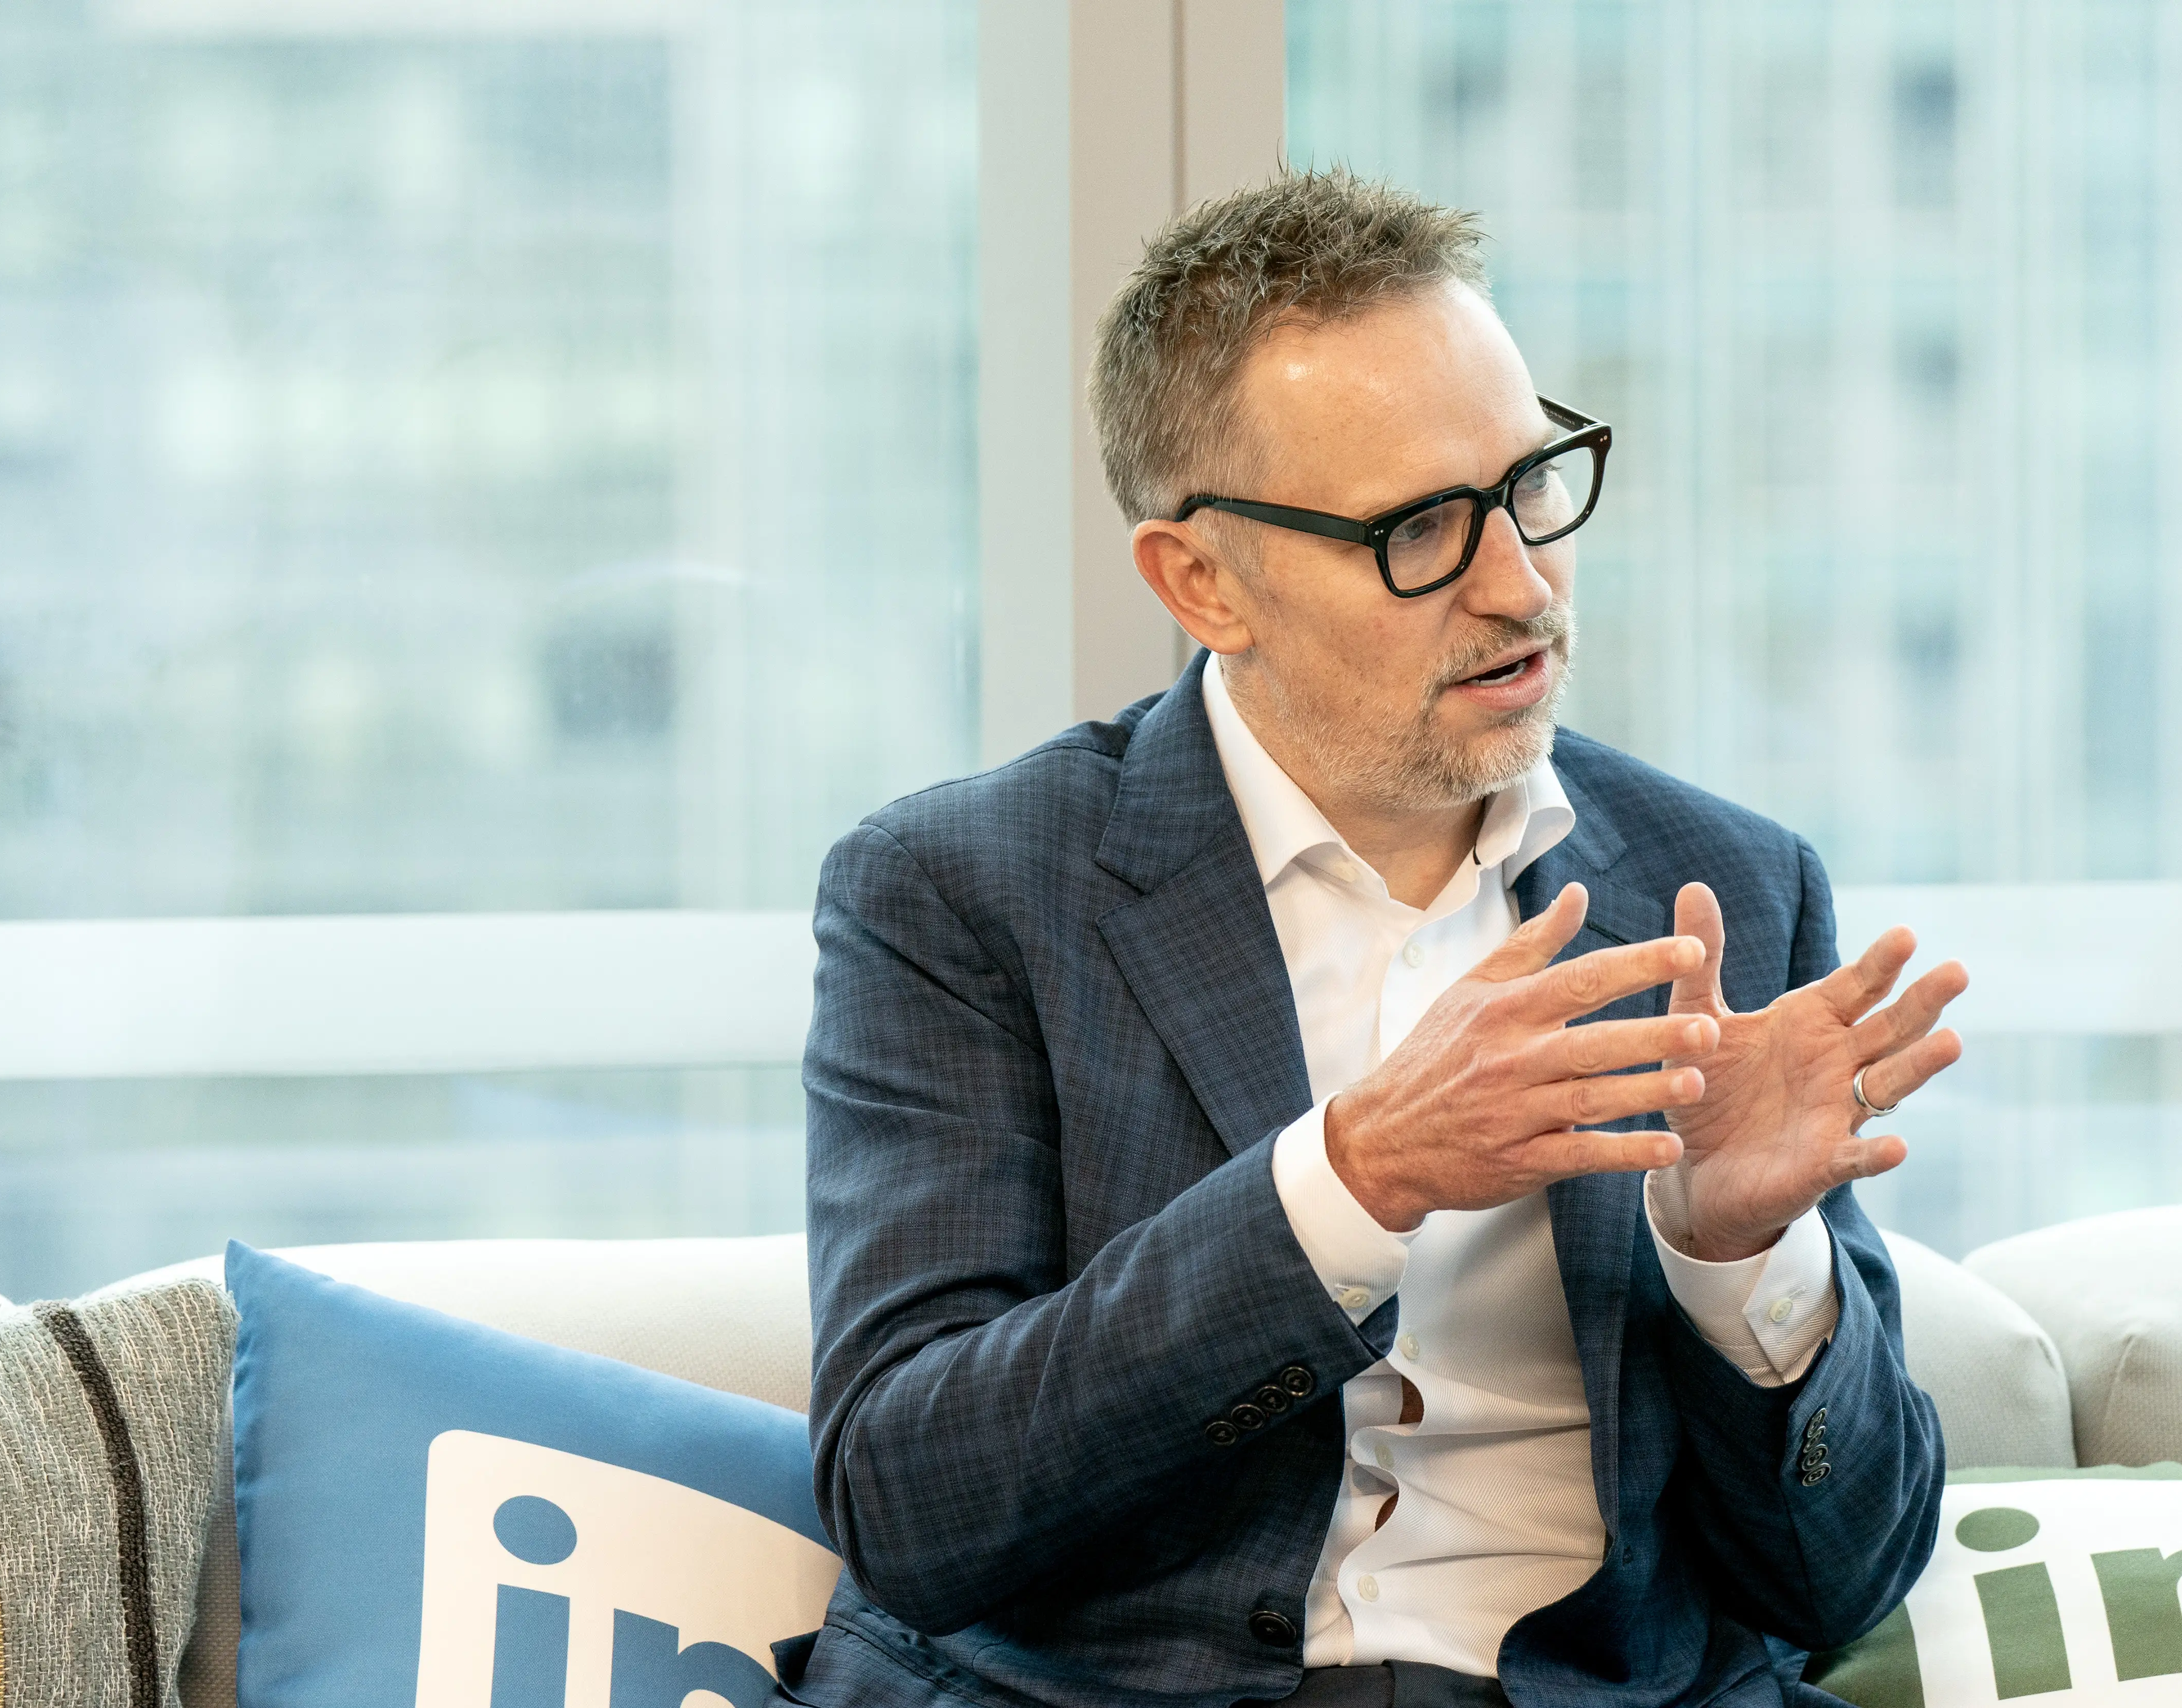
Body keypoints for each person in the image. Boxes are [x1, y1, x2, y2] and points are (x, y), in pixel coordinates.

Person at [793, 169, 1968, 1708]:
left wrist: (1744, 1258)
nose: (1519, 581)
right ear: (1203, 579)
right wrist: (1351, 1181)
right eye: (1420, 527)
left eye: (1531, 485)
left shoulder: (1727, 886)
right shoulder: (961, 893)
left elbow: (1841, 1581)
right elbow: (909, 1499)